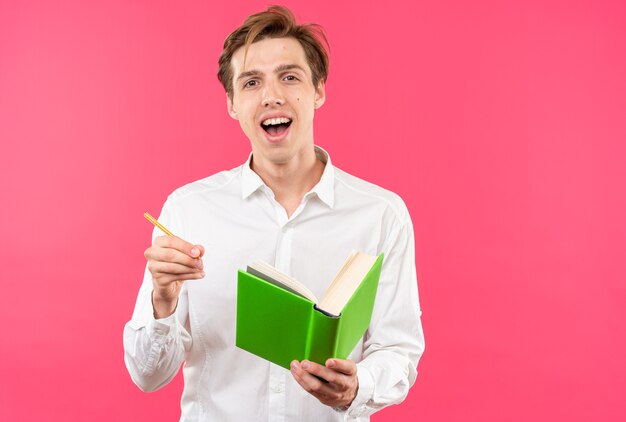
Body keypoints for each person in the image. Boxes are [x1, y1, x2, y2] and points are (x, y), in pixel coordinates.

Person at [124, 5, 425, 421]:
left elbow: (398, 350)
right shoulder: (188, 209)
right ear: (232, 103)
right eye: (251, 82)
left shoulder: (381, 214)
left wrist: (359, 386)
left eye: (289, 77)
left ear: (318, 90)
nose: (272, 96)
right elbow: (147, 376)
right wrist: (163, 300)